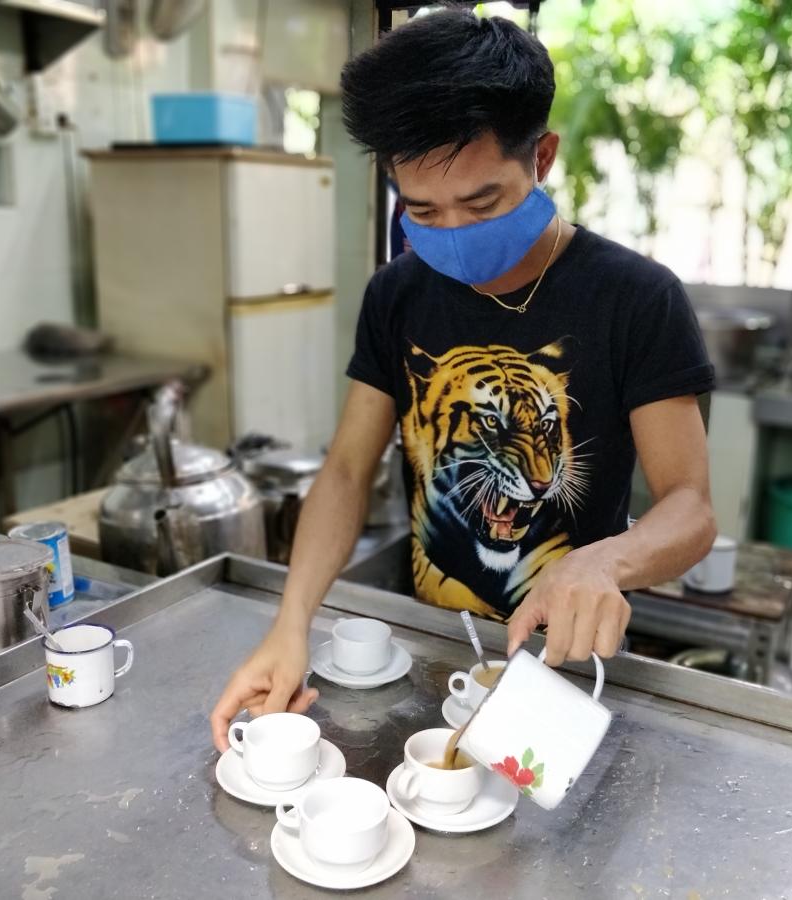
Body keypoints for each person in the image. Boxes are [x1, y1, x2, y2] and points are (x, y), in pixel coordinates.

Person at [210, 9, 716, 751]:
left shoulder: (636, 297)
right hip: (436, 651)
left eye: (482, 204)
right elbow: (348, 470)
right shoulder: (398, 294)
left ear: (541, 158)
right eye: (421, 209)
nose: (450, 232)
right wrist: (290, 628)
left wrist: (602, 561)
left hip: (571, 656)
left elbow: (692, 508)